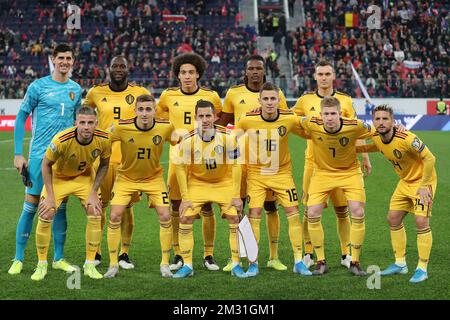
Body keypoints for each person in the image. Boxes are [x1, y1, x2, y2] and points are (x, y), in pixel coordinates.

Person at [9, 43, 82, 275]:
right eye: (61, 57)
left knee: (60, 209)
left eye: (69, 58)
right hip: (40, 157)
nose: (65, 62)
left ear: (73, 61)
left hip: (64, 160)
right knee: (30, 207)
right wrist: (18, 153)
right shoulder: (38, 86)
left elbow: (78, 122)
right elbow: (21, 118)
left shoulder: (76, 89)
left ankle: (58, 258)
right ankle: (18, 258)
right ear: (53, 59)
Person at [292, 60, 371, 270]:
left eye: (328, 73)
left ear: (333, 75)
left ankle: (346, 253)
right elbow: (292, 121)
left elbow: (355, 130)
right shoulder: (304, 100)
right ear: (315, 76)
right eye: (320, 74)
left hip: (344, 163)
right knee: (309, 210)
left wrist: (365, 156)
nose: (324, 77)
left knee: (342, 210)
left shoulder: (344, 100)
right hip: (314, 163)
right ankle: (309, 252)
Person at [217, 55, 289, 272]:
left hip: (267, 161)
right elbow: (223, 123)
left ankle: (273, 257)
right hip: (240, 161)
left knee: (270, 207)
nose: (255, 72)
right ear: (245, 71)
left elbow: (284, 121)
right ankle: (237, 257)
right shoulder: (233, 93)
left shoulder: (276, 94)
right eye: (251, 68)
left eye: (259, 68)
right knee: (237, 208)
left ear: (264, 71)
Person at [235, 82, 312, 277]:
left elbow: (310, 129)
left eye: (273, 99)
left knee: (293, 213)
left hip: (282, 173)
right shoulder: (246, 120)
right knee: (254, 215)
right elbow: (232, 141)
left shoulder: (290, 118)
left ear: (279, 100)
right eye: (266, 99)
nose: (269, 102)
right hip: (256, 174)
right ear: (259, 100)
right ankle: (253, 264)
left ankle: (298, 261)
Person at [84, 55, 152, 270]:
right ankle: (97, 251)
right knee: (99, 206)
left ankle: (124, 253)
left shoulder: (139, 92)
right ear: (109, 69)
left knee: (126, 208)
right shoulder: (95, 92)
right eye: (115, 66)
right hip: (101, 160)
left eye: (123, 65)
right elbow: (82, 115)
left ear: (128, 68)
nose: (119, 69)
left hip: (128, 160)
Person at [156, 53, 222, 272]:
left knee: (206, 205)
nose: (187, 76)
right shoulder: (167, 96)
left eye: (191, 72)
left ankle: (209, 254)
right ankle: (178, 253)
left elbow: (217, 119)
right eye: (183, 72)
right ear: (177, 75)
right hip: (178, 159)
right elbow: (160, 120)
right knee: (176, 205)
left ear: (198, 74)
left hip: (204, 157)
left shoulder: (211, 96)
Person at [357, 104, 437, 283]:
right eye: (377, 119)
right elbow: (375, 146)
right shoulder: (376, 136)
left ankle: (422, 269)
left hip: (423, 181)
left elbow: (430, 158)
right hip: (405, 182)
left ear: (393, 121)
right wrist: (355, 150)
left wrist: (424, 185)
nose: (381, 122)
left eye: (385, 118)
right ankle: (400, 264)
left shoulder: (407, 137)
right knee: (393, 219)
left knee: (421, 221)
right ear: (373, 121)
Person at [30, 106, 111, 281]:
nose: (86, 127)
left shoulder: (104, 139)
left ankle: (90, 264)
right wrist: (50, 196)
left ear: (96, 124)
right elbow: (45, 165)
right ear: (76, 123)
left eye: (90, 123)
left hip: (83, 178)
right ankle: (41, 264)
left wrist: (93, 191)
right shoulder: (62, 139)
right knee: (46, 212)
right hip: (59, 178)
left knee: (95, 210)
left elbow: (105, 164)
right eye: (82, 122)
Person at [103, 94, 176, 279]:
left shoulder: (165, 127)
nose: (144, 113)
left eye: (148, 109)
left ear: (154, 111)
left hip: (153, 178)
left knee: (166, 215)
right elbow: (103, 140)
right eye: (141, 109)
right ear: (135, 110)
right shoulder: (121, 126)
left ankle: (165, 263)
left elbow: (181, 143)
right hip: (126, 178)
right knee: (114, 215)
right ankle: (113, 265)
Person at [172, 100, 247, 279]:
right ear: (195, 118)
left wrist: (236, 196)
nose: (205, 120)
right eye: (201, 116)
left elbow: (236, 166)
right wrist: (185, 197)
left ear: (215, 117)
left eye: (208, 116)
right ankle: (188, 265)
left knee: (233, 216)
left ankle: (236, 263)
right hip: (198, 183)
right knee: (185, 216)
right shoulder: (187, 140)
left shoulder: (228, 137)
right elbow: (180, 169)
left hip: (223, 182)